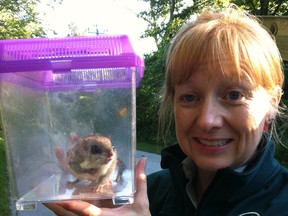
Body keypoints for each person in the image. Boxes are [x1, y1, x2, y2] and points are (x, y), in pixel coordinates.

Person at [45, 5, 288, 216]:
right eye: (190, 97)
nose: (207, 121)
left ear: (273, 102)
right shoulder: (147, 193)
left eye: (234, 95)